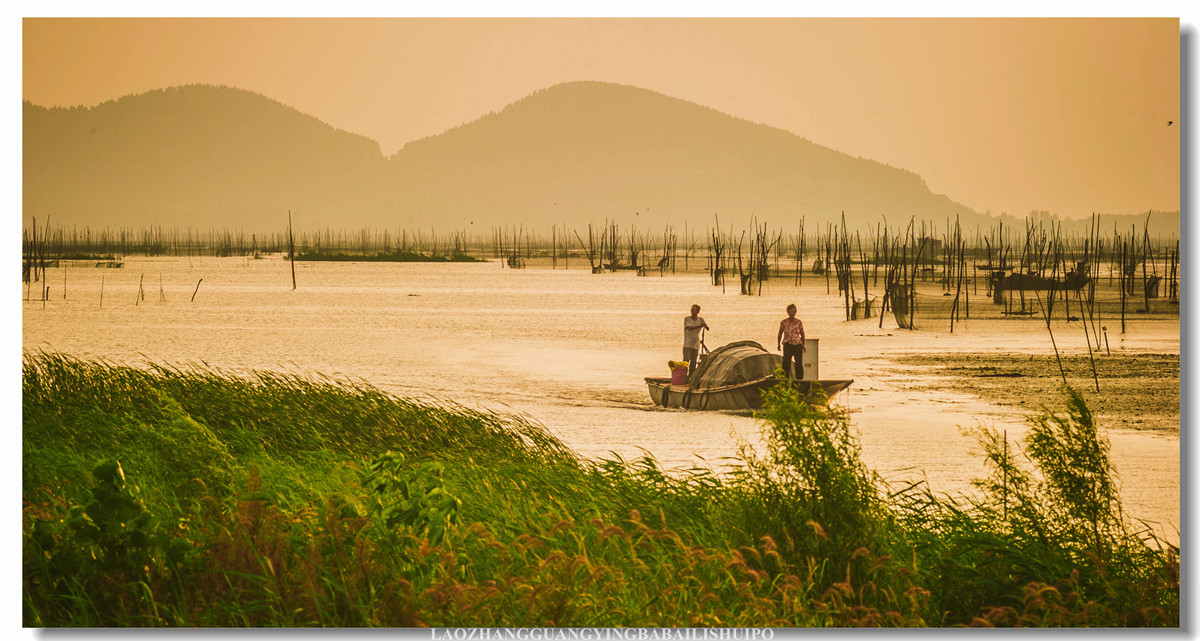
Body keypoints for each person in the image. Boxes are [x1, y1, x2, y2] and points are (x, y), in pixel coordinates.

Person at [777, 303, 806, 380]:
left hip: (797, 344)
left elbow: (802, 333)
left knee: (798, 363)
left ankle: (799, 379)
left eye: (794, 311)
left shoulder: (798, 322)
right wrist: (778, 344)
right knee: (786, 362)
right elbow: (780, 333)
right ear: (788, 312)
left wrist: (804, 344)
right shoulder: (784, 322)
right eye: (791, 311)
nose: (793, 313)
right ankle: (785, 378)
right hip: (788, 344)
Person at [683, 304, 710, 376]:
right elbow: (689, 328)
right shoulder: (687, 319)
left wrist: (705, 325)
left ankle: (691, 377)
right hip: (688, 343)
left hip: (695, 344)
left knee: (693, 362)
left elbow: (707, 328)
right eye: (691, 310)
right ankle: (684, 376)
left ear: (697, 312)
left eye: (693, 310)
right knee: (686, 361)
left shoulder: (700, 319)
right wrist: (699, 325)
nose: (691, 311)